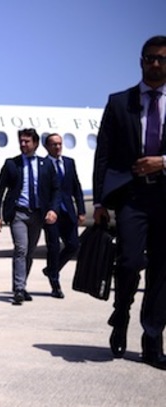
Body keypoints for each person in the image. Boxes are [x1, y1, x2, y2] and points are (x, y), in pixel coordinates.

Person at [93, 35, 166, 369]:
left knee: (162, 273)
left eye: (162, 59)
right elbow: (103, 155)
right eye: (149, 58)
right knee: (129, 262)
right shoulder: (120, 102)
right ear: (141, 61)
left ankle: (152, 341)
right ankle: (120, 313)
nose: (155, 64)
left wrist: (163, 161)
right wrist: (99, 202)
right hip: (132, 196)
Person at [0, 128, 59, 305]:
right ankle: (18, 289)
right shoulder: (11, 164)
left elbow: (56, 190)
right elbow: (0, 190)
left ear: (35, 143)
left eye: (27, 141)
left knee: (30, 252)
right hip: (18, 213)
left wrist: (53, 210)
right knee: (20, 249)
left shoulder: (46, 165)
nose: (23, 144)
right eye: (21, 141)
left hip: (38, 214)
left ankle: (23, 284)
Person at [42, 133, 85, 299]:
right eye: (54, 144)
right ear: (47, 147)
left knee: (73, 245)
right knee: (53, 248)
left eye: (60, 144)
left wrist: (81, 210)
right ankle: (55, 285)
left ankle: (52, 269)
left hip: (68, 212)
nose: (58, 147)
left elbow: (76, 188)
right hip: (51, 214)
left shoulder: (69, 163)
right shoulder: (43, 165)